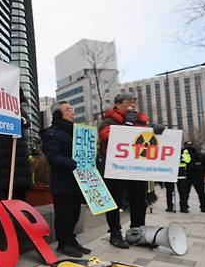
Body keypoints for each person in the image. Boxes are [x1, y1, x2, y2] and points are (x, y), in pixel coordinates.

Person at [98, 94, 164, 248]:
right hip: (117, 169)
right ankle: (115, 233)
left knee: (140, 201)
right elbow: (105, 136)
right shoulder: (109, 121)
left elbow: (145, 139)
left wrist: (156, 131)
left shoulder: (141, 122)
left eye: (134, 102)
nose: (132, 105)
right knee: (115, 202)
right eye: (128, 102)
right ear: (118, 105)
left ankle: (137, 233)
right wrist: (126, 126)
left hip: (137, 169)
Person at [40, 101, 90, 257]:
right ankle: (63, 244)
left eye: (72, 109)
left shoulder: (76, 131)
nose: (72, 112)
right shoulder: (52, 133)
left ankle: (71, 240)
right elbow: (53, 157)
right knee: (64, 214)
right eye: (68, 110)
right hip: (62, 182)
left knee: (75, 213)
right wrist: (74, 163)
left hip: (77, 181)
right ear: (58, 114)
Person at [180, 141, 205, 212]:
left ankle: (184, 207)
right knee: (197, 193)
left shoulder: (199, 155)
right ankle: (203, 207)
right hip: (193, 176)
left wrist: (202, 172)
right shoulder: (198, 155)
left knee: (187, 193)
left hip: (193, 176)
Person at [165, 147, 191, 212]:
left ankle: (183, 207)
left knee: (182, 192)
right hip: (170, 172)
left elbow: (188, 160)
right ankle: (170, 207)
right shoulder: (169, 148)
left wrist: (180, 158)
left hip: (181, 174)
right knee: (169, 191)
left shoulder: (184, 150)